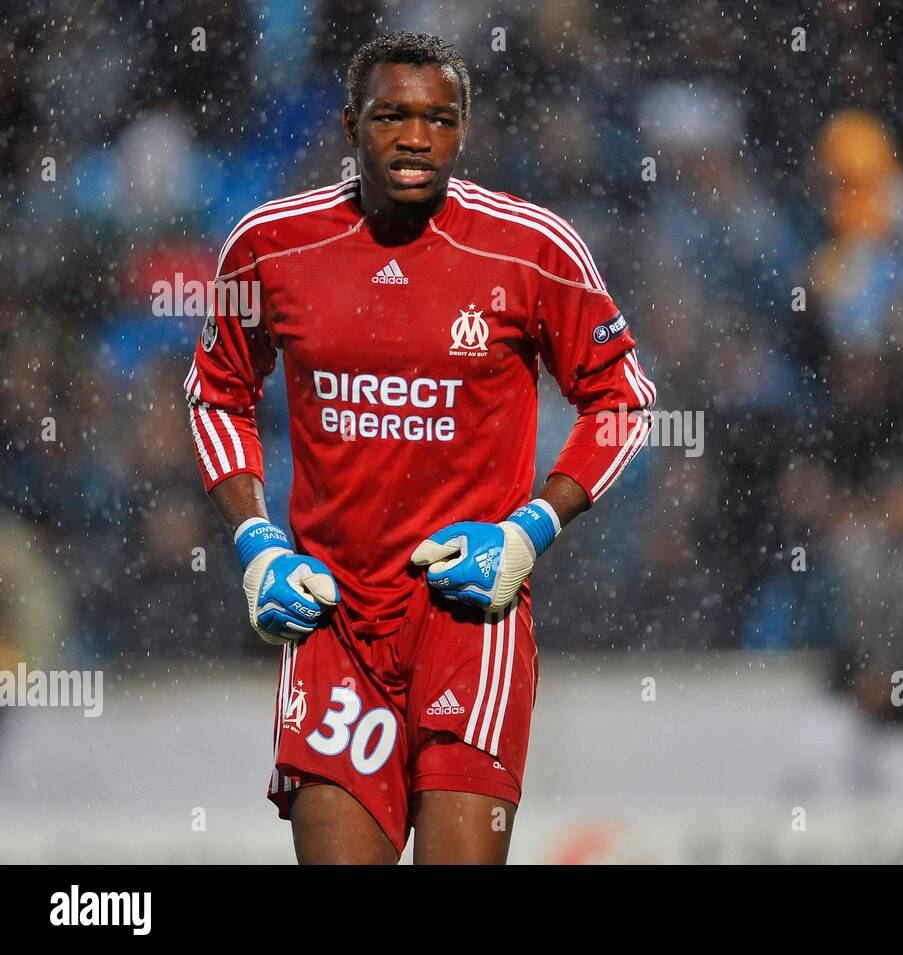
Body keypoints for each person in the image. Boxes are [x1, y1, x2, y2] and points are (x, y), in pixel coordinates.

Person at [183, 32, 655, 864]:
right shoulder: (271, 245)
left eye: (439, 120)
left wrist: (529, 530)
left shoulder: (530, 248)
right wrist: (256, 541)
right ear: (348, 125)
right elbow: (216, 390)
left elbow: (622, 398)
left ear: (463, 130)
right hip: (332, 618)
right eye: (390, 115)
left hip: (468, 617)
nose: (414, 138)